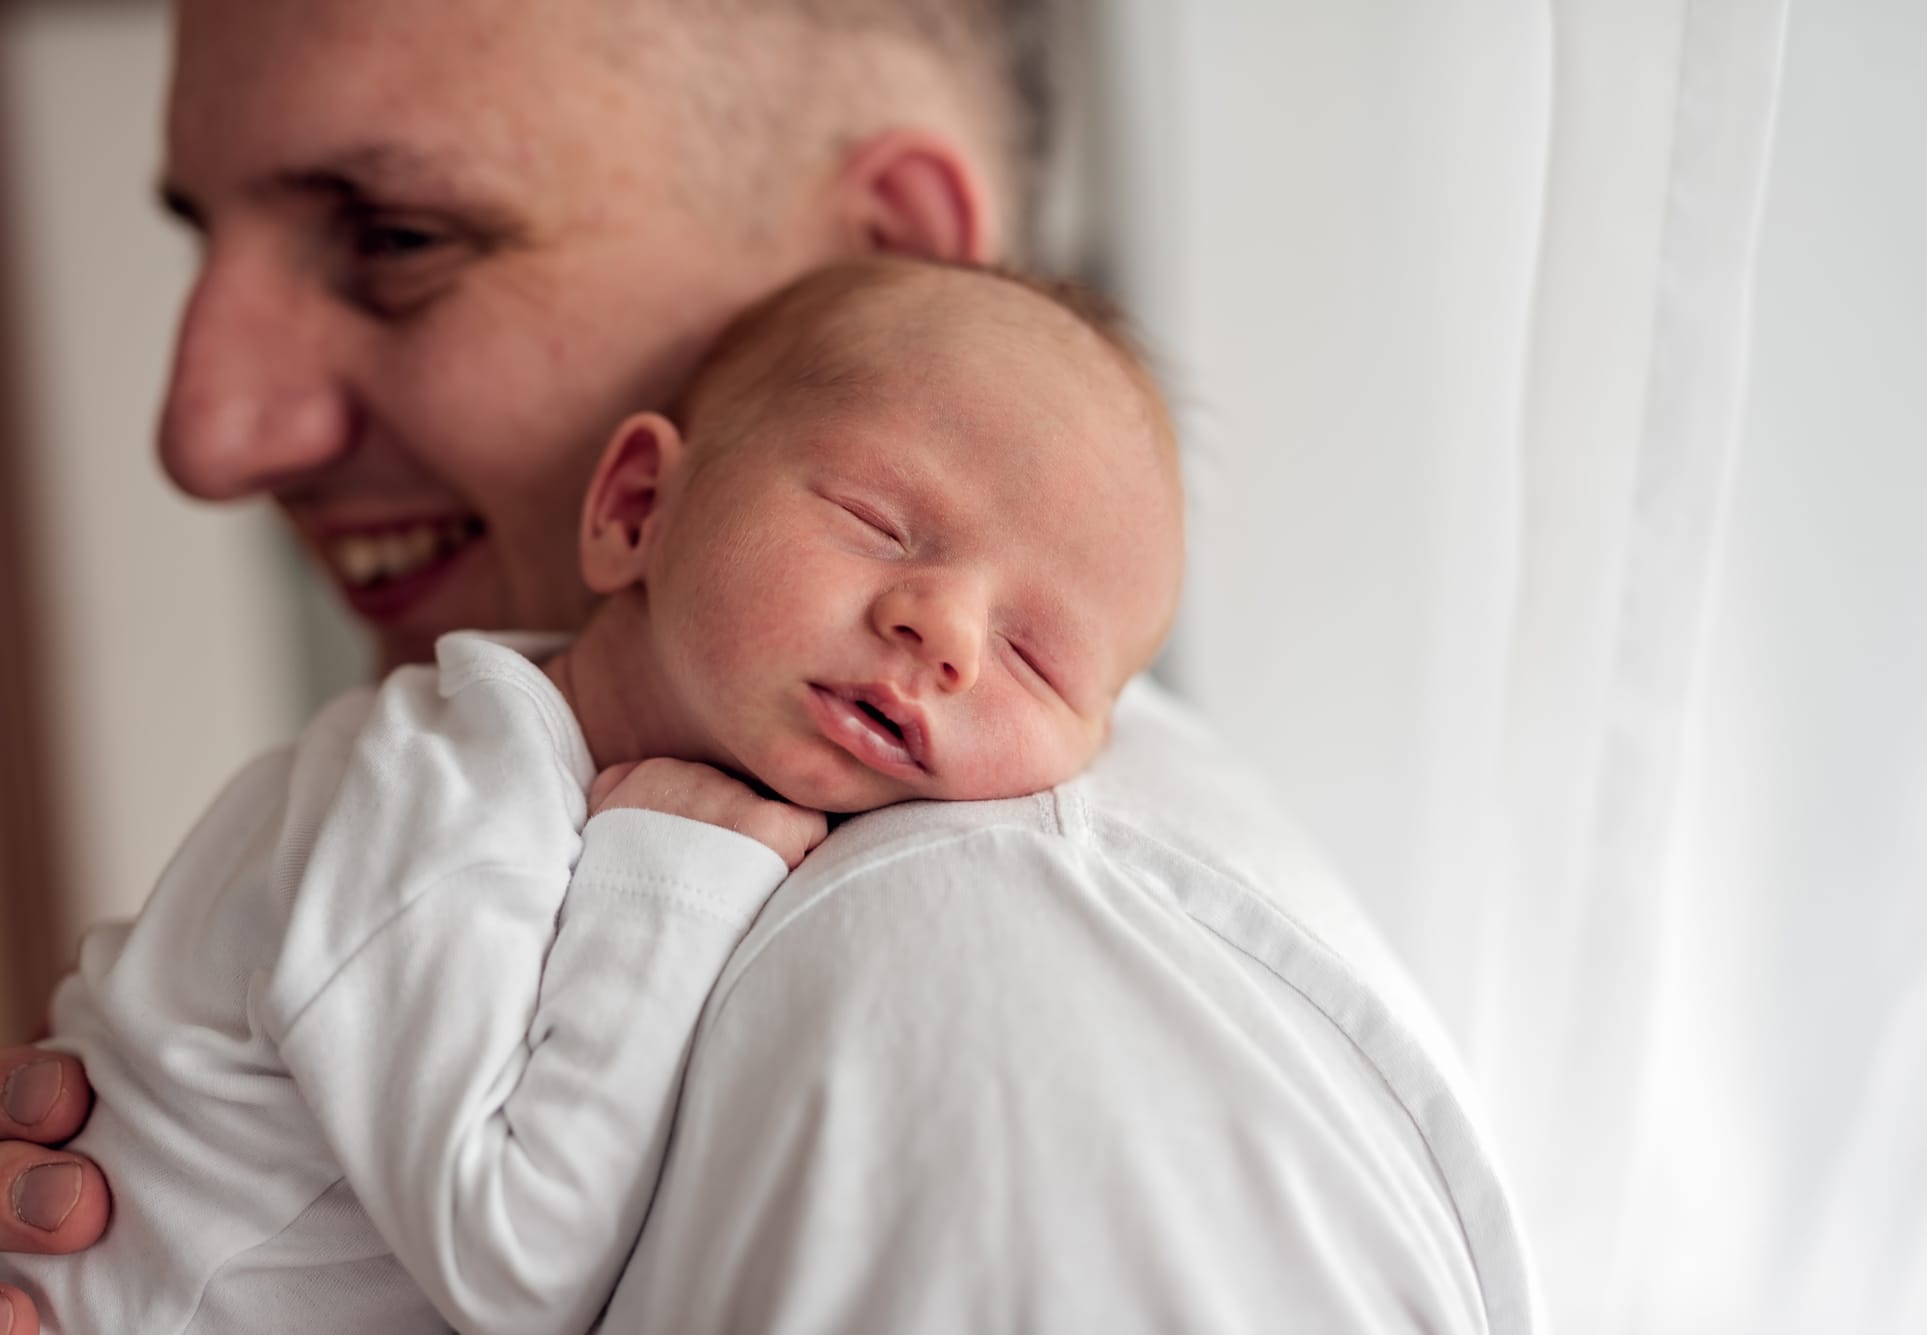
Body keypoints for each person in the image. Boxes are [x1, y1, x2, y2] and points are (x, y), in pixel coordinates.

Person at [0, 1, 1539, 1330]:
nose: (205, 433)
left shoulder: (983, 961)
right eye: (202, 238)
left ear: (887, 250)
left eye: (400, 237)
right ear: (637, 501)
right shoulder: (496, 792)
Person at [0, 257, 1186, 1333]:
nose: (949, 637)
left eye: (1034, 657)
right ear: (637, 510)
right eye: (876, 523)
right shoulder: (438, 794)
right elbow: (517, 1269)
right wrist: (673, 874)